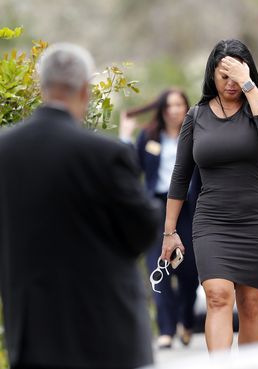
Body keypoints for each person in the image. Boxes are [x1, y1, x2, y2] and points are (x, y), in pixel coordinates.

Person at [0, 43, 161, 369]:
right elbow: (141, 231)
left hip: (33, 330)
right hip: (104, 328)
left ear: (42, 88)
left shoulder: (5, 150)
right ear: (85, 91)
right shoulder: (105, 153)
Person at [160, 39, 258, 352]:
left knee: (252, 305)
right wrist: (169, 232)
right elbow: (180, 176)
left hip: (257, 218)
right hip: (213, 220)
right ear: (211, 75)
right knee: (217, 295)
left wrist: (247, 82)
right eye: (224, 75)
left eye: (236, 75)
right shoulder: (196, 116)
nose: (230, 83)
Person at [119, 89, 201, 349]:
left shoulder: (196, 134)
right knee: (159, 267)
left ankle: (186, 321)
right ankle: (166, 329)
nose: (175, 110)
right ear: (162, 109)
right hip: (157, 205)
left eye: (179, 105)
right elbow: (131, 167)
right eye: (170, 105)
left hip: (188, 207)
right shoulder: (149, 136)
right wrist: (125, 136)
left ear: (186, 108)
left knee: (188, 270)